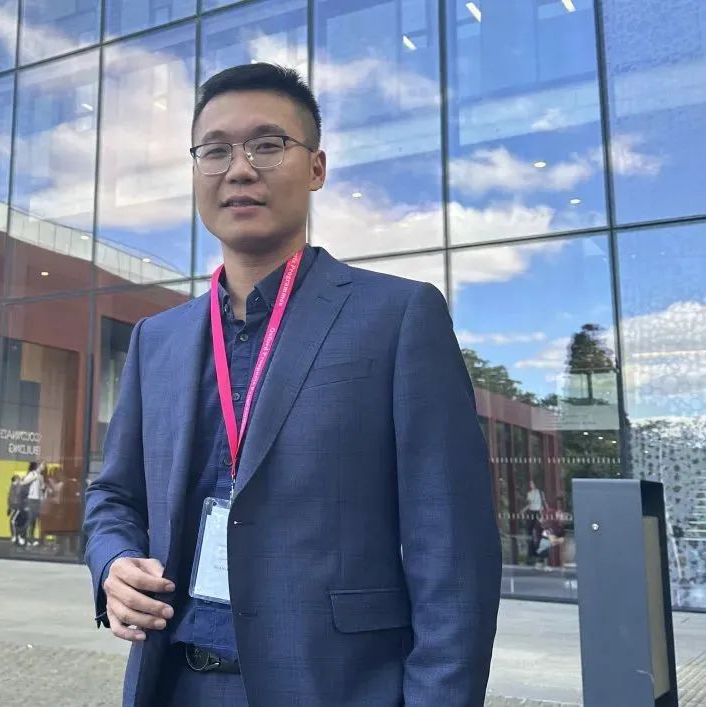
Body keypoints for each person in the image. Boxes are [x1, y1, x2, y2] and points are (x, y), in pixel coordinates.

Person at [83, 64, 501, 706]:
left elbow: (451, 548)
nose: (239, 169)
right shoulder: (156, 340)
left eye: (267, 145)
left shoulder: (397, 318)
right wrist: (113, 562)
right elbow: (114, 494)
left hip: (335, 688)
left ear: (316, 168)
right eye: (215, 151)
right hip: (176, 684)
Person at [20, 461, 45, 547]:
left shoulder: (41, 476)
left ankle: (31, 539)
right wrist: (33, 478)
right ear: (39, 465)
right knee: (30, 519)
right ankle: (22, 536)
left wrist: (42, 483)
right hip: (31, 499)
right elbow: (23, 482)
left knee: (34, 521)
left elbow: (42, 488)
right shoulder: (32, 474)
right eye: (43, 465)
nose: (44, 466)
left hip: (38, 500)